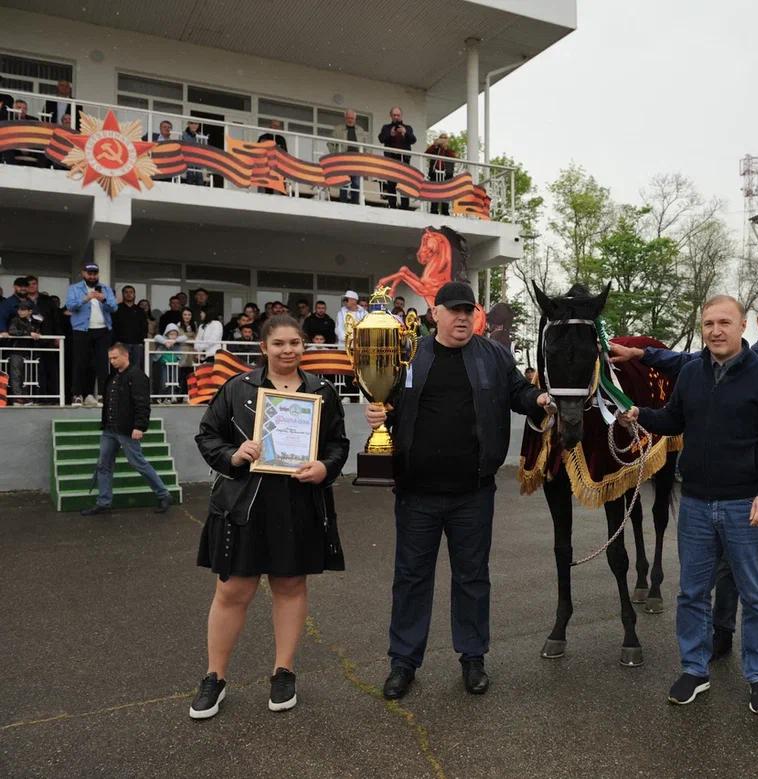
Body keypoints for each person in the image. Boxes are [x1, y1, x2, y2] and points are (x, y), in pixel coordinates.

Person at [367, 281, 552, 701]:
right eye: (454, 310)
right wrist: (378, 413)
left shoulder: (494, 356)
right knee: (411, 578)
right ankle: (403, 662)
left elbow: (518, 392)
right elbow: (387, 400)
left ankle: (473, 658)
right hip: (416, 492)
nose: (463, 317)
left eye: (469, 310)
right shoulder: (408, 353)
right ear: (435, 314)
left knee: (472, 577)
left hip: (473, 492)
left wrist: (539, 399)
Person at [609, 295, 758, 666]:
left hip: (748, 501)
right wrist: (640, 415)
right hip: (697, 504)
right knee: (693, 594)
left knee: (757, 594)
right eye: (709, 324)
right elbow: (673, 418)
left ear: (743, 325)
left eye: (724, 323)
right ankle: (695, 667)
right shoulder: (691, 372)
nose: (716, 331)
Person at [190, 315, 349, 719]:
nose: (288, 350)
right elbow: (208, 435)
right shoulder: (237, 388)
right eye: (279, 343)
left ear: (304, 345)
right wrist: (233, 455)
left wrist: (325, 468)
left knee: (290, 586)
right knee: (232, 590)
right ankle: (214, 677)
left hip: (298, 503)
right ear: (264, 347)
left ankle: (284, 671)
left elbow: (337, 443)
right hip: (245, 504)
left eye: (295, 342)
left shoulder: (322, 391)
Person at [79, 343, 172, 516]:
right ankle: (103, 502)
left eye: (115, 358)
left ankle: (163, 494)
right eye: (110, 359)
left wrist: (139, 426)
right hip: (109, 429)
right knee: (103, 465)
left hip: (127, 430)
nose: (112, 361)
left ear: (125, 355)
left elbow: (142, 404)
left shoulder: (137, 376)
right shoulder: (113, 376)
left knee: (138, 463)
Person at [65, 263, 117, 407]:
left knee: (102, 364)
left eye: (95, 273)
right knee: (80, 362)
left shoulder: (105, 289)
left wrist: (103, 299)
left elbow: (114, 307)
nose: (92, 276)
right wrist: (85, 298)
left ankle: (102, 395)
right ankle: (77, 395)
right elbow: (70, 306)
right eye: (89, 273)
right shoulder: (75, 288)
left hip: (102, 330)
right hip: (82, 330)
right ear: (83, 273)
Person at [377, 106, 416, 209]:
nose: (396, 117)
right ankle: (392, 206)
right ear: (391, 116)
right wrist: (390, 134)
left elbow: (413, 140)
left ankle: (405, 207)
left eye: (398, 115)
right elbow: (381, 139)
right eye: (394, 115)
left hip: (404, 160)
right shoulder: (386, 127)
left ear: (401, 115)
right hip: (391, 159)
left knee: (404, 184)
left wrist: (405, 133)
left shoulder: (408, 128)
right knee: (391, 184)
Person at [3, 300, 42, 403]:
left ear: (30, 311)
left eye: (23, 309)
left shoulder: (36, 321)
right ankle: (17, 397)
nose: (20, 311)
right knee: (16, 375)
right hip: (17, 350)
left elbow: (39, 332)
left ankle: (26, 396)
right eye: (19, 309)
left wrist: (36, 334)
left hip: (30, 351)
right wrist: (29, 333)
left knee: (28, 375)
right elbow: (12, 331)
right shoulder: (15, 320)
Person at [330, 109, 369, 204]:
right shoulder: (338, 129)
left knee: (356, 183)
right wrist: (335, 155)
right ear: (345, 118)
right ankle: (343, 203)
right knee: (344, 182)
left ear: (355, 119)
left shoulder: (360, 130)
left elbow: (365, 146)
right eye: (348, 118)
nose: (350, 120)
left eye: (352, 118)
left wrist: (363, 158)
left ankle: (355, 204)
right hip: (343, 159)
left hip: (357, 160)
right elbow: (330, 143)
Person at [112, 285, 149, 370]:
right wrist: (116, 341)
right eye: (126, 292)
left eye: (131, 292)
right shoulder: (116, 309)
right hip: (121, 344)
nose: (129, 294)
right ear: (123, 294)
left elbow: (144, 327)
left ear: (134, 294)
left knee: (136, 368)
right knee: (121, 367)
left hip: (137, 344)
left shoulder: (140, 310)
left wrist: (141, 342)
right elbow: (113, 326)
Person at [424, 132, 458, 215]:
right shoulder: (435, 149)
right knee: (434, 192)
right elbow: (426, 154)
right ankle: (433, 210)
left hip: (447, 174)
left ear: (447, 140)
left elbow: (454, 157)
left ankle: (445, 212)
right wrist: (434, 145)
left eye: (445, 138)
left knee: (446, 193)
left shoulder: (449, 151)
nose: (443, 139)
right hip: (434, 173)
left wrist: (444, 148)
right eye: (441, 138)